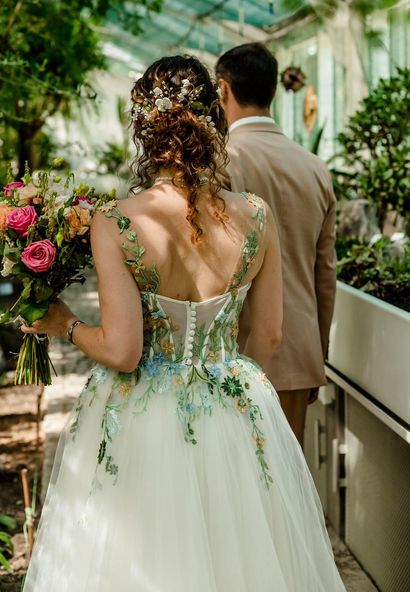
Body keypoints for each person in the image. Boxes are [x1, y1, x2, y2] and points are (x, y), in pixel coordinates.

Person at [21, 55, 345, 591]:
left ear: (144, 129)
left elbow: (124, 351)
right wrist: (225, 383)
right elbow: (267, 335)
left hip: (140, 415)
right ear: (213, 117)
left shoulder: (119, 220)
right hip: (236, 411)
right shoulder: (256, 216)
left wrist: (64, 325)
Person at [216, 43, 336, 446]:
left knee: (241, 490)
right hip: (300, 350)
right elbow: (325, 274)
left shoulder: (223, 162)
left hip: (234, 354)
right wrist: (318, 352)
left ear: (223, 90)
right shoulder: (316, 168)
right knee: (288, 488)